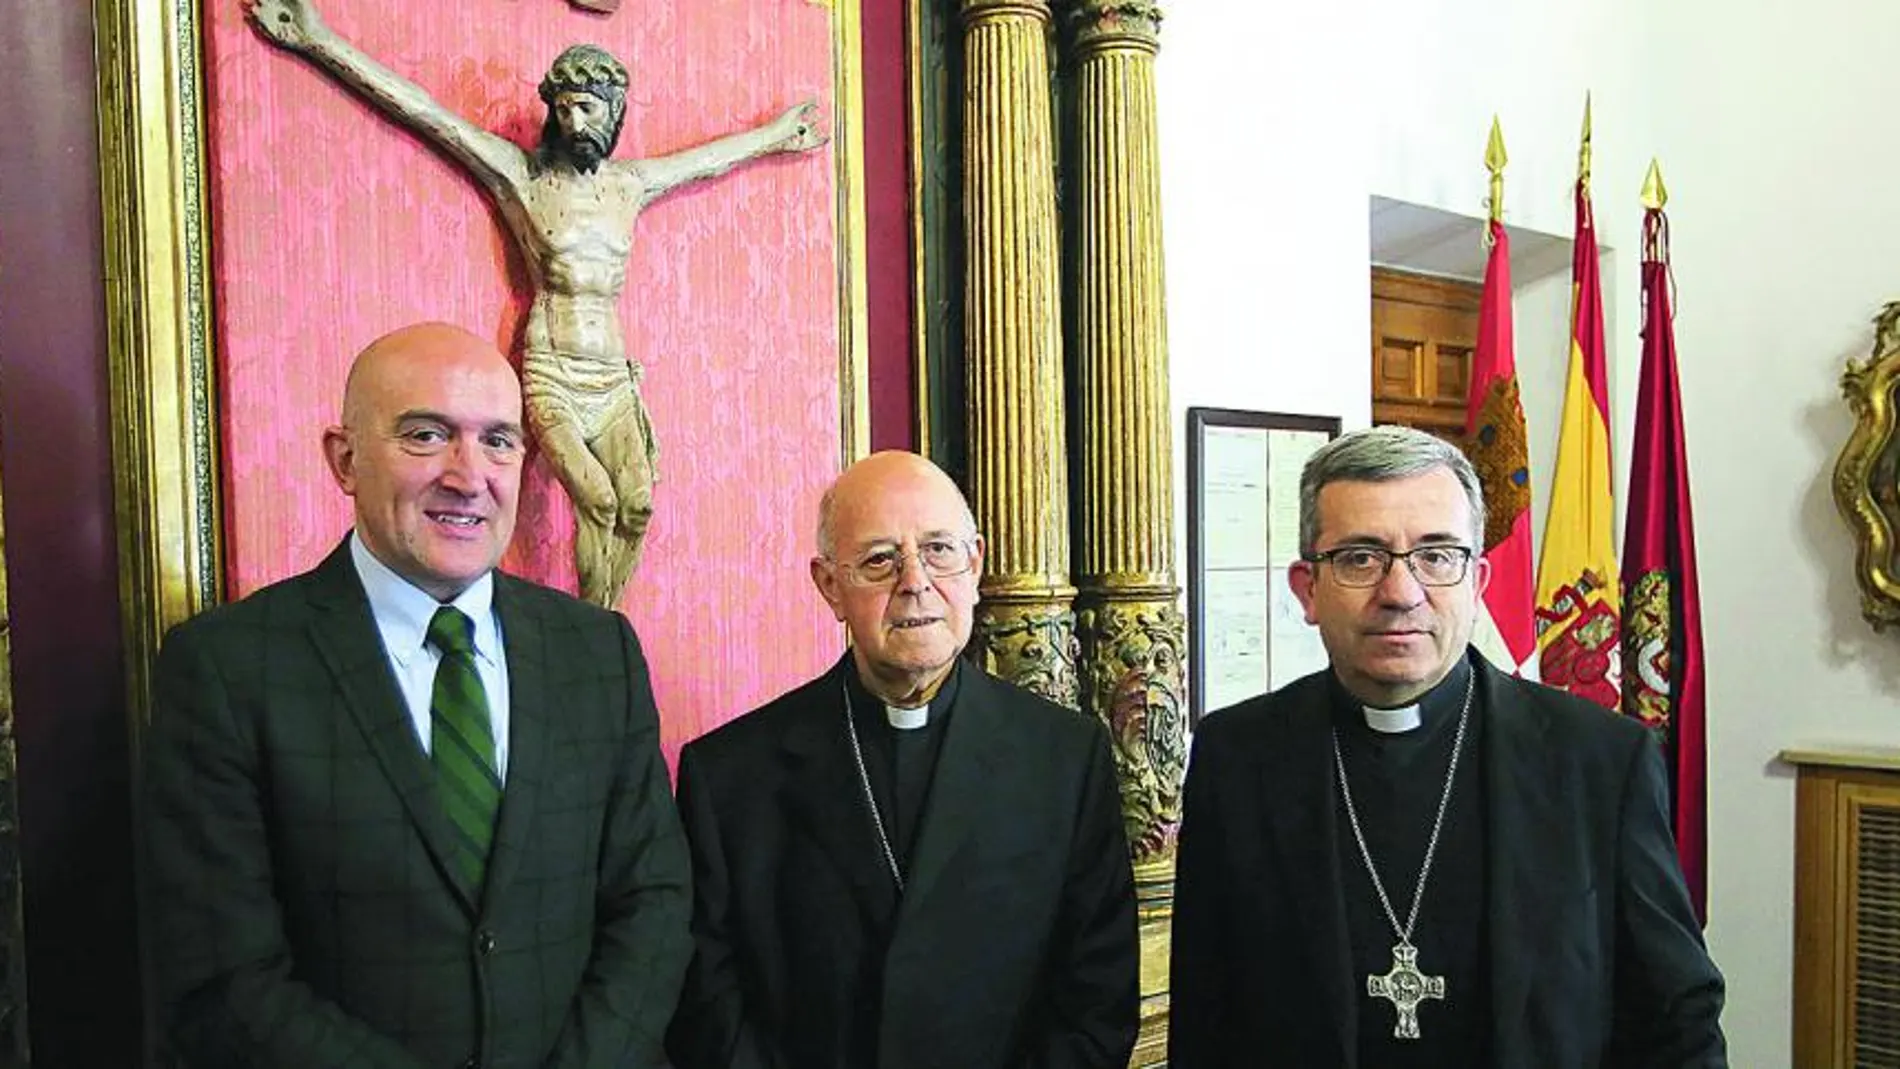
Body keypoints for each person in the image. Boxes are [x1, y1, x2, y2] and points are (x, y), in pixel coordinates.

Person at [141, 323, 692, 1068]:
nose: (470, 475)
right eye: (427, 435)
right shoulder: (229, 668)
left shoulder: (599, 653)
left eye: (499, 441)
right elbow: (225, 978)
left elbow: (653, 902)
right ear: (345, 459)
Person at [1169, 425, 1726, 1068]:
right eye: (1359, 557)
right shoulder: (1237, 758)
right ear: (1307, 589)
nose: (1401, 593)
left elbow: (1677, 1021)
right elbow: (1206, 1020)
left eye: (1436, 555)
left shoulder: (1598, 761)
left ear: (1479, 580)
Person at [246, 0, 827, 608]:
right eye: (566, 108)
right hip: (553, 372)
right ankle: (597, 633)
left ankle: (605, 627)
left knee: (637, 505)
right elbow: (428, 114)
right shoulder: (522, 177)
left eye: (589, 108)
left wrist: (777, 136)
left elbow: (706, 160)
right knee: (597, 502)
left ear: (614, 113)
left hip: (614, 377)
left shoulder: (628, 187)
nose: (576, 122)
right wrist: (317, 40)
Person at [666, 451, 1139, 1069]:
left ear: (976, 565)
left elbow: (1096, 1001)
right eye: (879, 559)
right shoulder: (729, 776)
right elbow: (707, 1005)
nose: (915, 581)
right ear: (830, 585)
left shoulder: (1066, 759)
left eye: (940, 550)